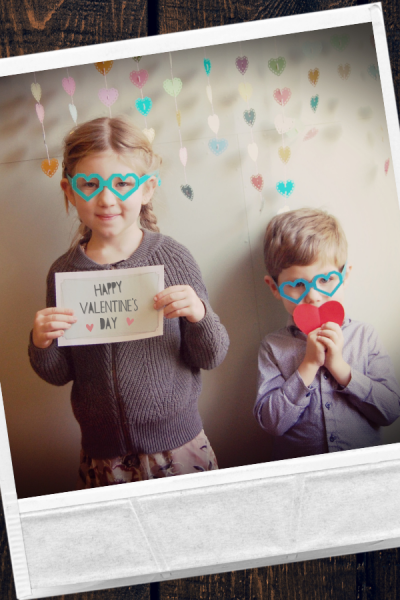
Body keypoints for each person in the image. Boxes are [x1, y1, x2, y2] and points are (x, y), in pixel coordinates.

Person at [29, 116, 229, 487]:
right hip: (103, 457)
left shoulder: (174, 258)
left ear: (148, 188)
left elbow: (211, 356)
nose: (107, 198)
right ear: (69, 191)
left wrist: (200, 316)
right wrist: (41, 343)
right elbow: (59, 373)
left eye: (123, 183)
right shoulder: (63, 273)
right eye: (90, 184)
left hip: (179, 445)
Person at [254, 207, 400, 461]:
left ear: (345, 276)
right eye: (298, 284)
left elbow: (390, 410)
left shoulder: (364, 336)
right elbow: (270, 423)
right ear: (274, 287)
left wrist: (341, 368)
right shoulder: (273, 347)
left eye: (326, 280)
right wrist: (308, 365)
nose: (314, 295)